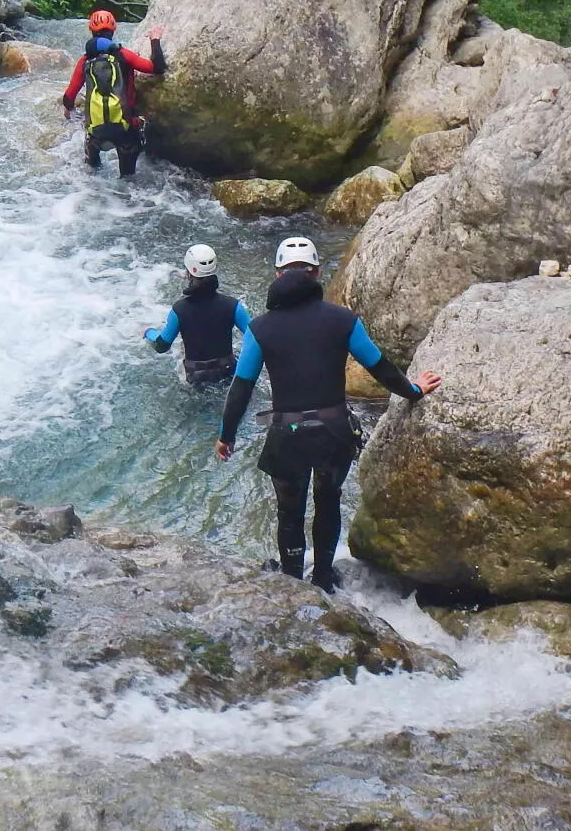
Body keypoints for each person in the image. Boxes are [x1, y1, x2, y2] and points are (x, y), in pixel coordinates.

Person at [216, 236, 442, 591]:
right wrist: (414, 391)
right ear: (317, 273)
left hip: (287, 436)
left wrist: (226, 436)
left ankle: (292, 582)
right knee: (328, 502)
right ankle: (323, 576)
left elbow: (241, 388)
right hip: (334, 432)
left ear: (277, 275)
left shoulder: (260, 329)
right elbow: (380, 368)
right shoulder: (344, 320)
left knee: (289, 512)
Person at [61, 10, 166, 177]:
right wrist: (155, 39)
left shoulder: (84, 61)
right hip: (125, 127)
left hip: (96, 130)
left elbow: (69, 97)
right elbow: (157, 68)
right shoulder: (124, 55)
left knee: (91, 176)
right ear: (113, 30)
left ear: (91, 31)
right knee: (128, 180)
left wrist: (68, 110)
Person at [145, 244, 250, 387]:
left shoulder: (179, 310)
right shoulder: (233, 306)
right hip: (228, 372)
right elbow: (256, 335)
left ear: (189, 274)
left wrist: (148, 332)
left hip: (195, 378)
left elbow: (161, 346)